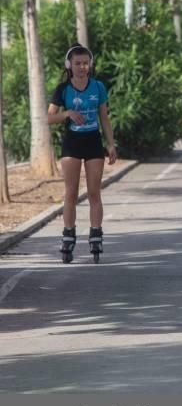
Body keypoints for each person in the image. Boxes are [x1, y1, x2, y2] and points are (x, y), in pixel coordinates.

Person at [47, 44, 117, 264]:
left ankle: (96, 234)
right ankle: (68, 235)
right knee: (71, 192)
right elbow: (49, 117)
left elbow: (104, 117)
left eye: (85, 63)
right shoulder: (63, 89)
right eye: (77, 63)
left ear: (90, 64)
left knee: (94, 192)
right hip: (72, 143)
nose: (81, 67)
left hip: (93, 142)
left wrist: (111, 144)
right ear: (69, 65)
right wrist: (67, 113)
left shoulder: (98, 87)